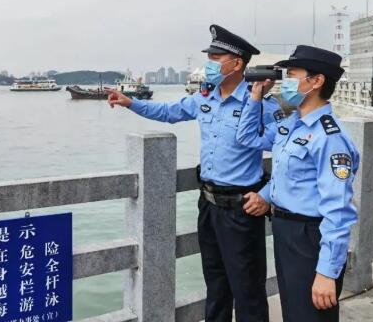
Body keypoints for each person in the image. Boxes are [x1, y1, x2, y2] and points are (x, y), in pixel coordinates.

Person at [106, 25, 282, 322]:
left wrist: (266, 195)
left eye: (216, 58)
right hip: (208, 205)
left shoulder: (261, 104)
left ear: (236, 63)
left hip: (242, 208)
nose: (209, 64)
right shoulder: (205, 98)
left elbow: (288, 155)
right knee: (215, 284)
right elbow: (168, 112)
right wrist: (131, 103)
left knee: (248, 289)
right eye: (209, 57)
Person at [236, 45, 359, 322]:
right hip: (285, 231)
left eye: (292, 74)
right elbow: (247, 138)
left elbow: (338, 211)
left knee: (310, 315)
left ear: (317, 81)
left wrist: (327, 272)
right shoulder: (292, 123)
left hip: (310, 237)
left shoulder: (329, 138)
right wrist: (256, 96)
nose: (286, 82)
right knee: (294, 312)